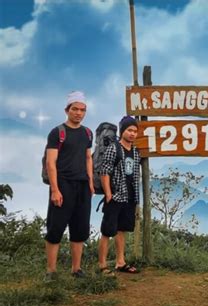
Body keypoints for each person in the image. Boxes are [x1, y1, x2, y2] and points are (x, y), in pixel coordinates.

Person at [45, 91, 93, 280]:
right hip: (62, 184)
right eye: (75, 109)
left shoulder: (88, 133)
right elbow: (51, 163)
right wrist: (55, 189)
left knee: (80, 228)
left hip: (82, 185)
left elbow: (88, 157)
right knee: (55, 228)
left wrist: (90, 181)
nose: (78, 113)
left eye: (82, 110)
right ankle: (51, 271)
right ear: (67, 110)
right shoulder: (57, 132)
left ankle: (76, 269)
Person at [98, 116, 141, 275]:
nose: (132, 134)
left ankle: (120, 262)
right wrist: (108, 193)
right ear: (122, 130)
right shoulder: (114, 148)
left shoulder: (136, 152)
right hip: (115, 196)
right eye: (129, 130)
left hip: (129, 197)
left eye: (135, 131)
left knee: (122, 230)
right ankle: (102, 265)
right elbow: (104, 171)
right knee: (107, 231)